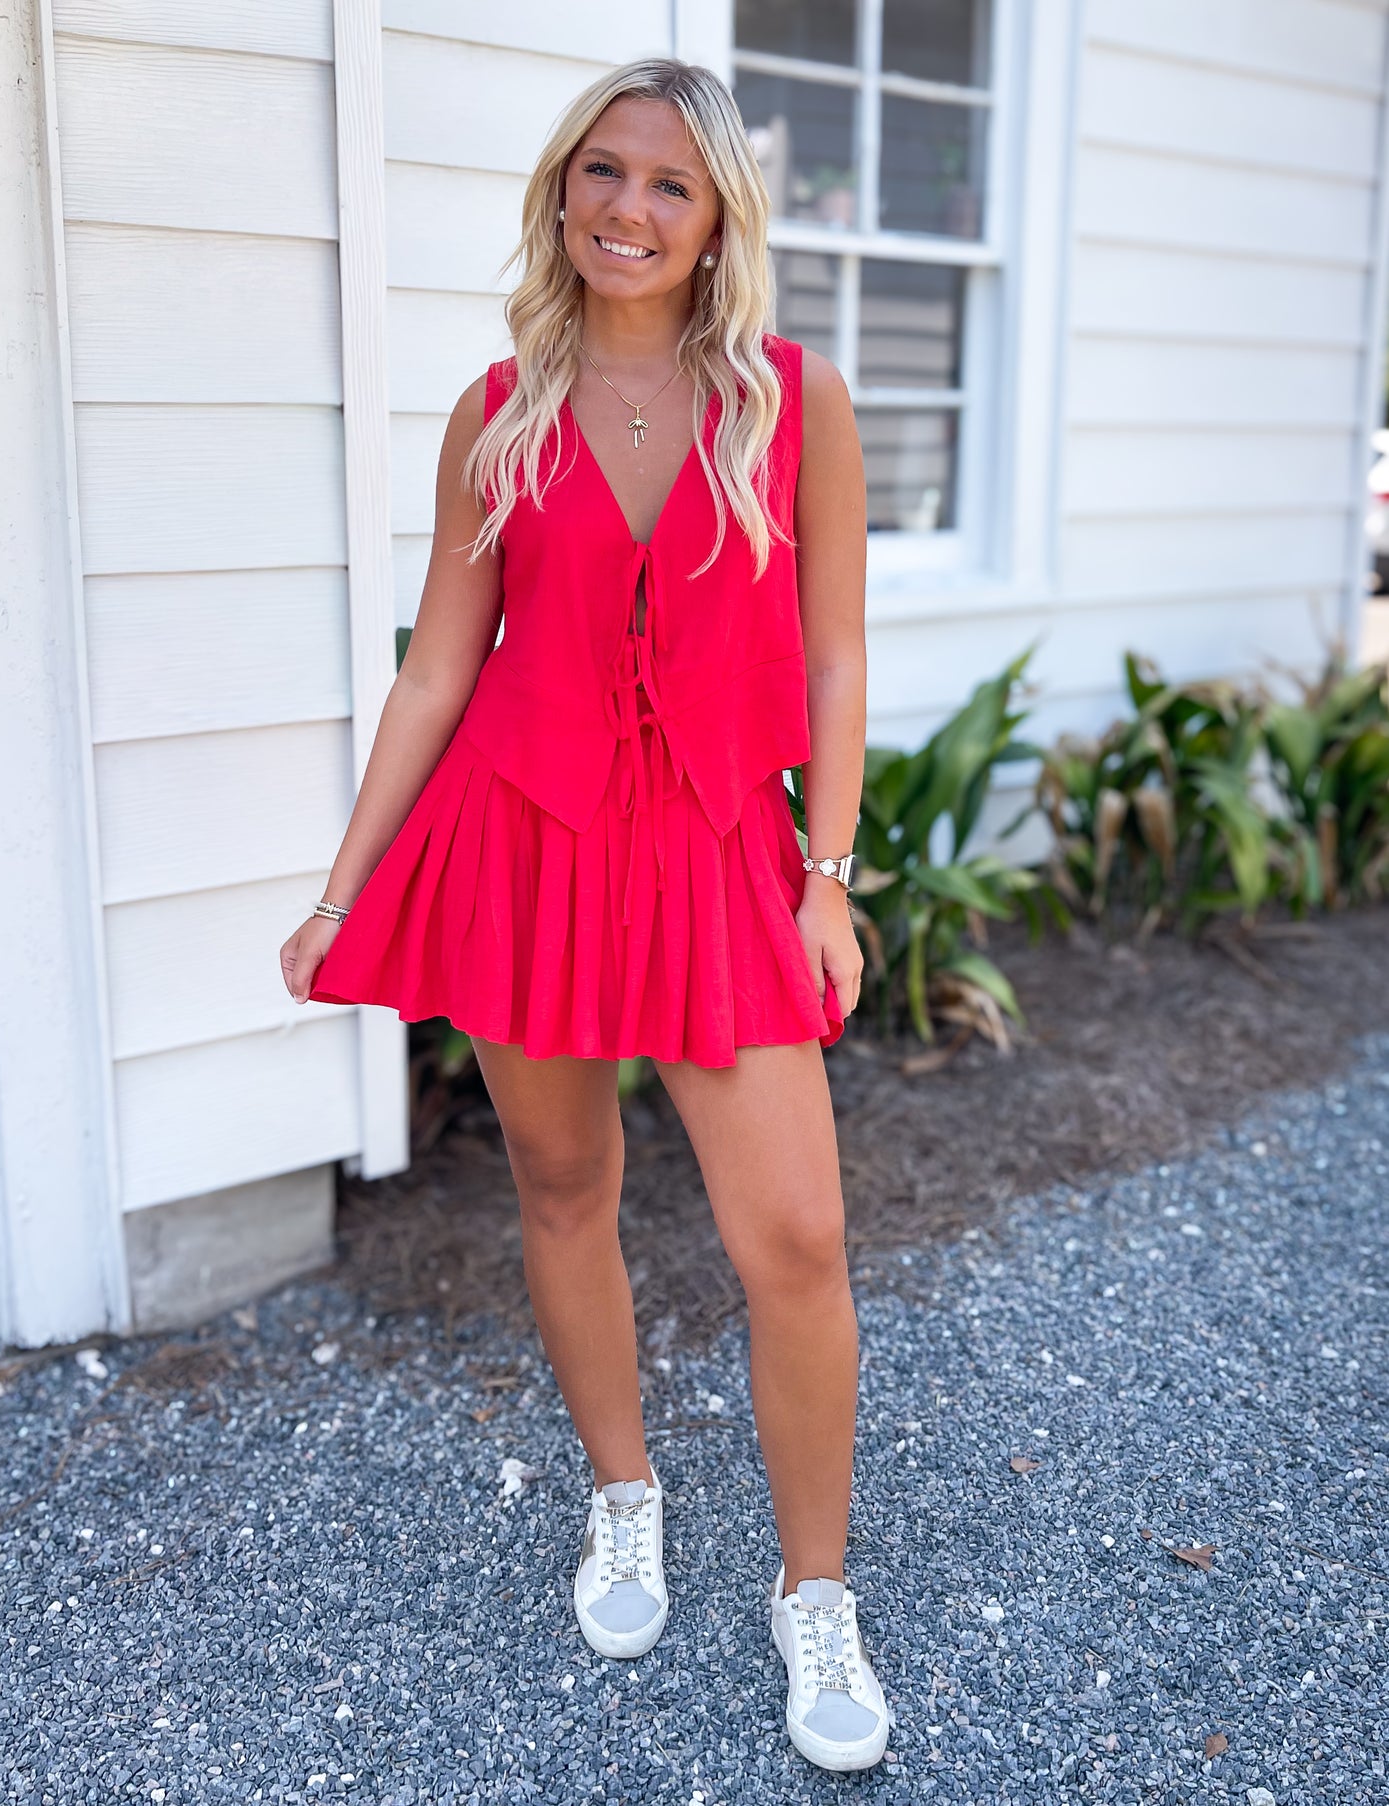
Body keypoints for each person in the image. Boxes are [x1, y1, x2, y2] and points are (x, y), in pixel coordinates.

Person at [278, 57, 885, 1773]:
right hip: (526, 840)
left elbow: (836, 654)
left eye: (669, 186)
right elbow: (437, 669)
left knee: (800, 1243)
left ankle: (813, 1588)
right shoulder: (503, 404)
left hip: (715, 852)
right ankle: (625, 1495)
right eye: (600, 174)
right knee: (563, 1182)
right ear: (563, 194)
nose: (627, 208)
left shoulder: (792, 398)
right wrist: (343, 890)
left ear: (716, 225)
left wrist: (825, 876)